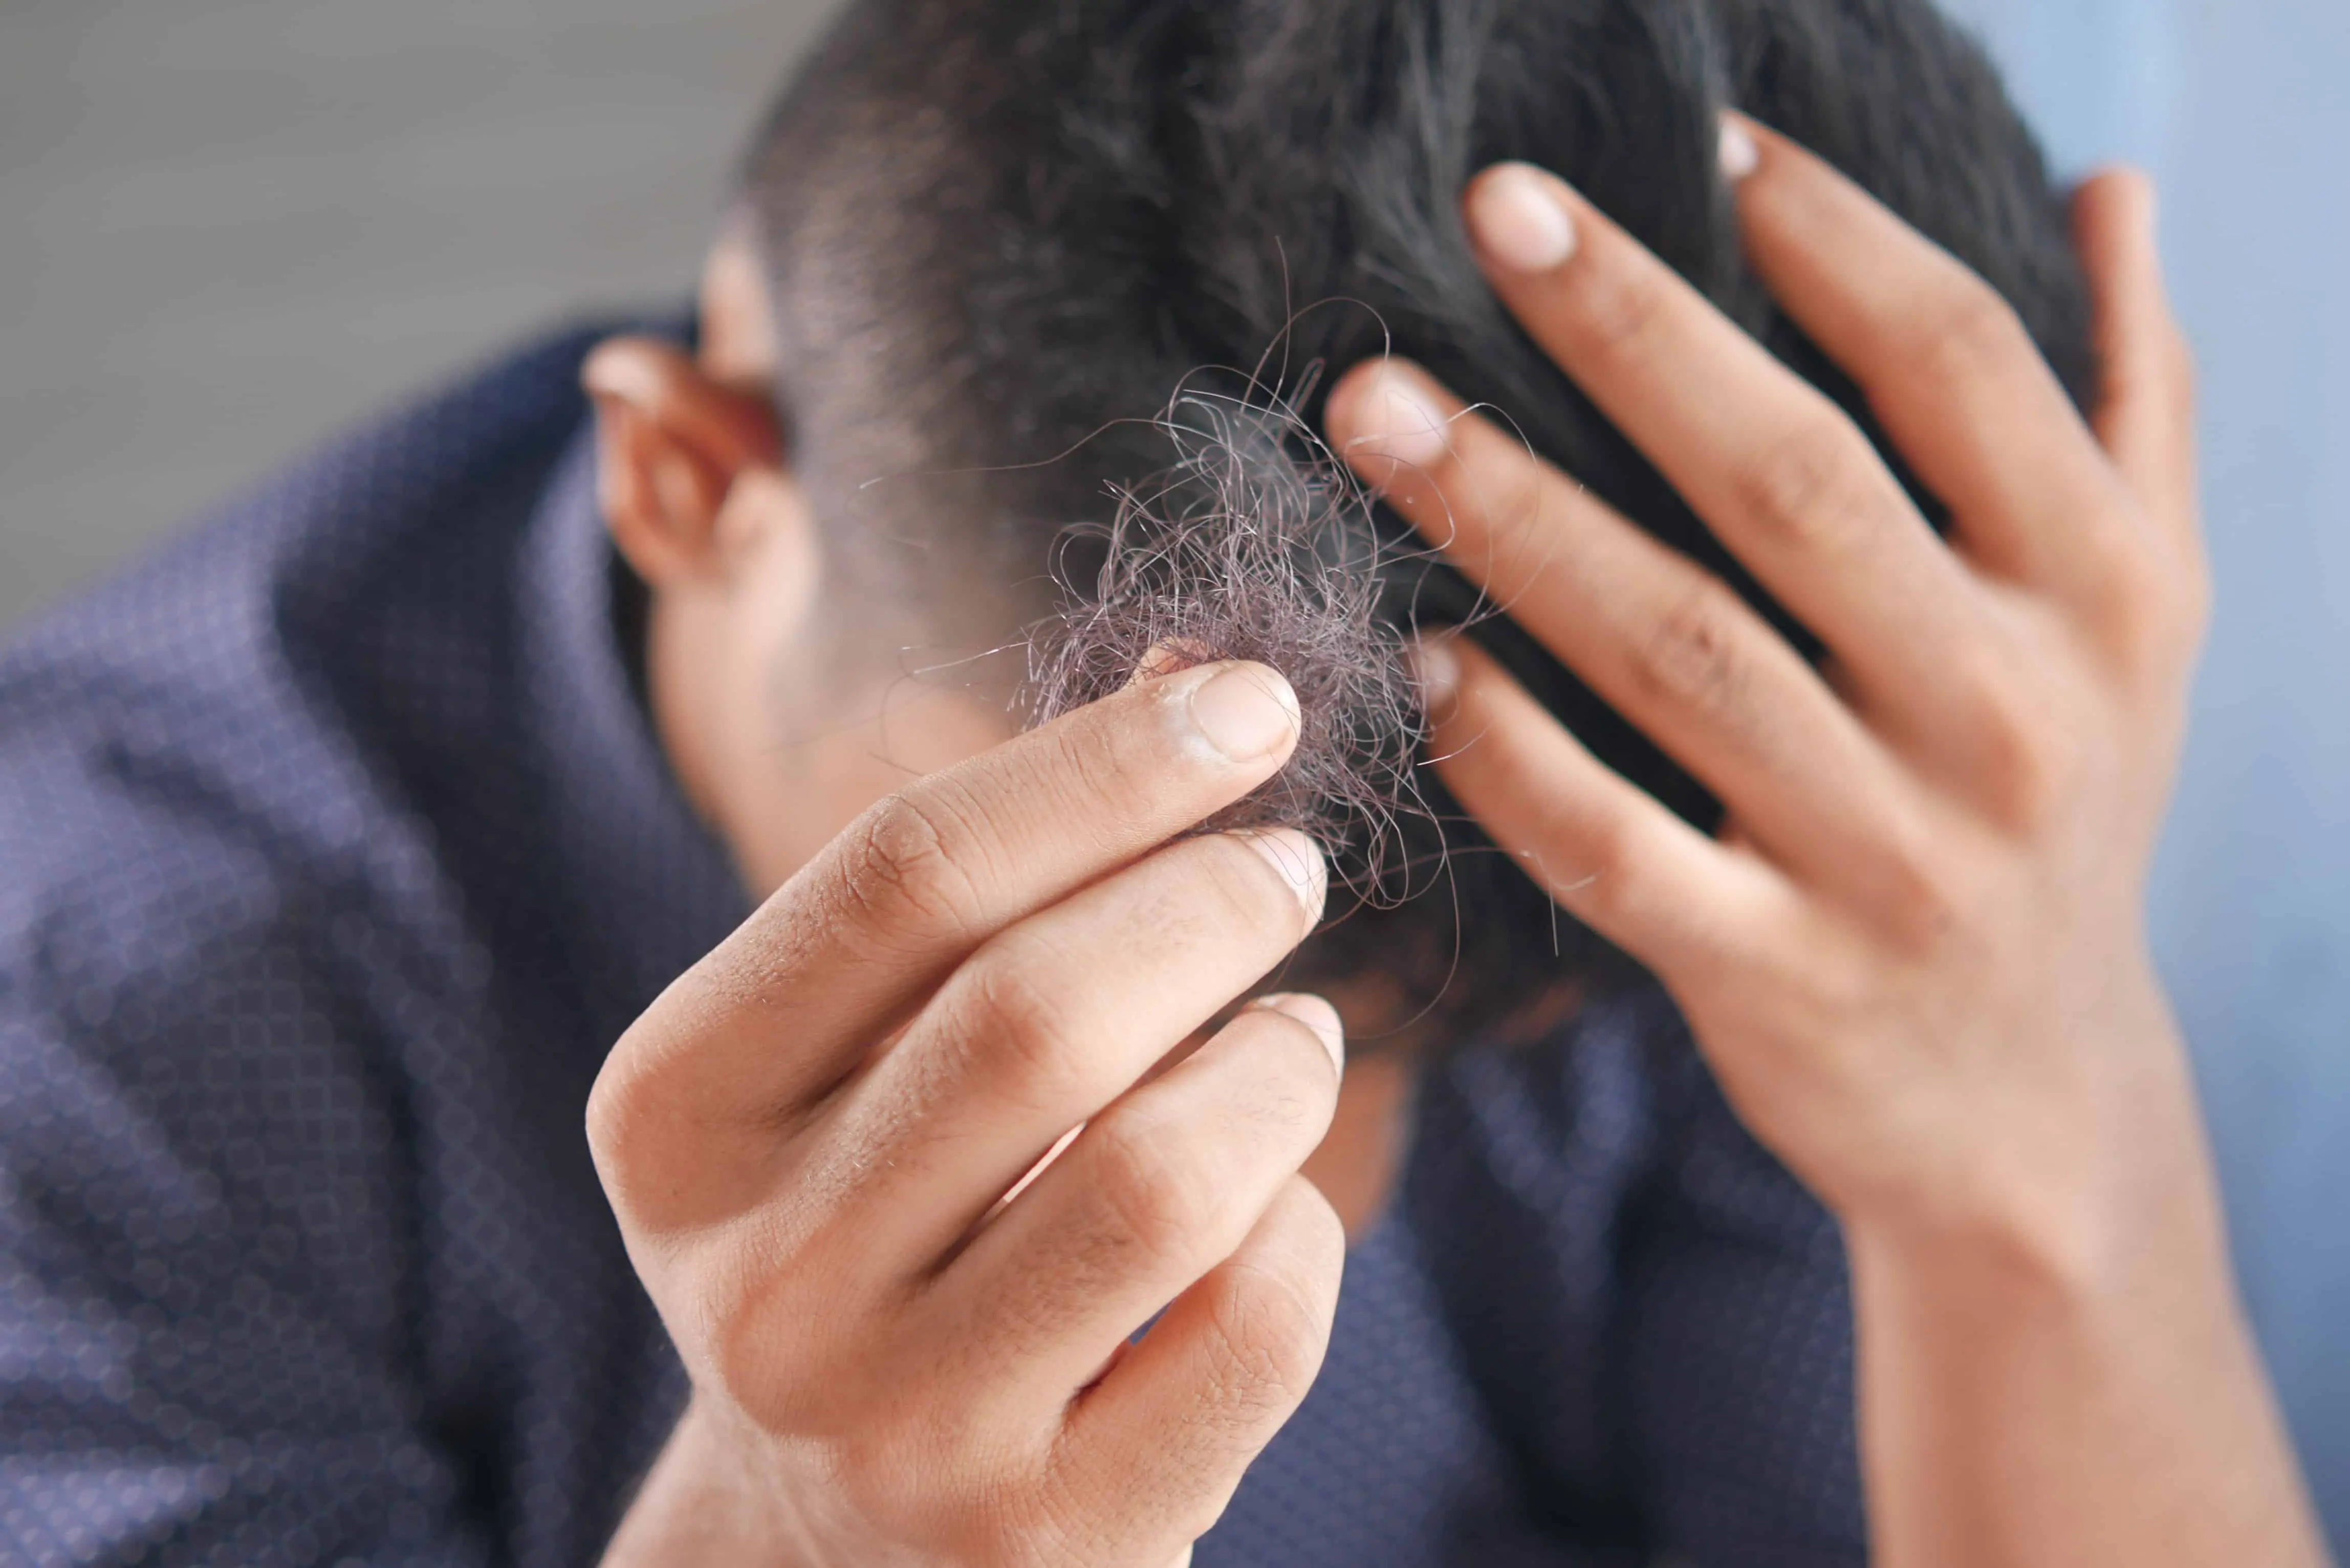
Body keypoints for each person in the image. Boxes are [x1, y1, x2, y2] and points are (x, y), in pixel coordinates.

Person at [0, 3, 2327, 1567]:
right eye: (1095, 910)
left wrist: (2037, 1139)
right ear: (693, 480)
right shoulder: (84, 1039)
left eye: (1458, 1040)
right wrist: (782, 1534)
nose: (1268, 1222)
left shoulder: (1730, 825)